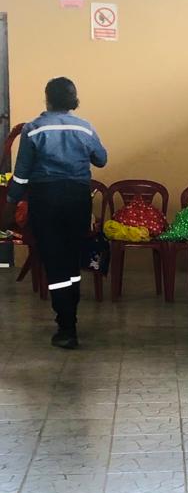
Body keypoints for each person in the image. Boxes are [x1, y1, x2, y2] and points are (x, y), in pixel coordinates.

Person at [6, 78, 107, 348]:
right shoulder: (85, 127)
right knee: (72, 259)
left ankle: (66, 327)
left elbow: (22, 175)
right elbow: (101, 159)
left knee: (54, 260)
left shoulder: (33, 129)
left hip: (46, 199)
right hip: (78, 199)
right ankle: (70, 317)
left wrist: (10, 205)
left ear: (47, 98)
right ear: (74, 99)